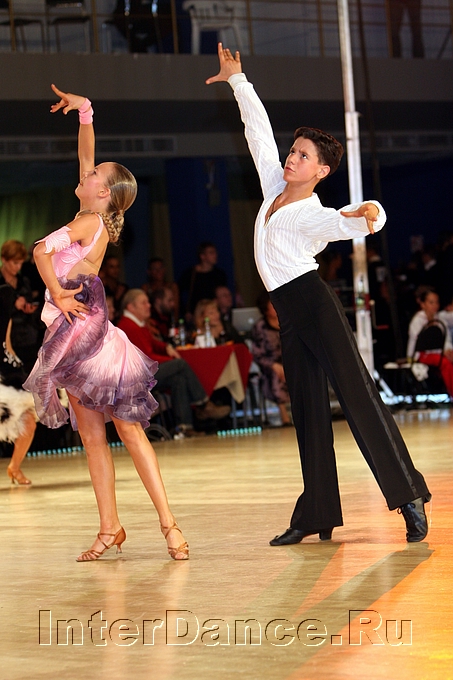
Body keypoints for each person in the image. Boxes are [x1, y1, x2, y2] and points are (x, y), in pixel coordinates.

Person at [206, 43, 431, 544]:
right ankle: (316, 514)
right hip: (288, 312)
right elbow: (257, 131)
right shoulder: (272, 186)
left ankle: (409, 495)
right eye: (294, 151)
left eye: (303, 156)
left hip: (314, 304)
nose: (292, 158)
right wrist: (238, 81)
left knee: (359, 399)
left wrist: (372, 213)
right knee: (307, 410)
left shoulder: (312, 214)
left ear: (321, 171)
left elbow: (345, 219)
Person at [24, 85, 189, 562]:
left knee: (123, 432)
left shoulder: (87, 223)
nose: (88, 171)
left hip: (84, 338)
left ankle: (168, 525)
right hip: (75, 334)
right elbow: (86, 154)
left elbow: (39, 251)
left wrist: (55, 290)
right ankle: (112, 528)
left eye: (96, 174)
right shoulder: (91, 212)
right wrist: (85, 112)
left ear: (104, 192)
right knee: (97, 436)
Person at [117, 289, 231, 431]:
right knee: (180, 364)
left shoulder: (136, 325)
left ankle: (185, 427)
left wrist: (166, 347)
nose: (149, 305)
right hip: (137, 376)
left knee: (178, 379)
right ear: (131, 307)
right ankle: (203, 404)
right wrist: (171, 359)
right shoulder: (129, 327)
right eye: (144, 303)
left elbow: (151, 343)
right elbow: (147, 358)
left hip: (142, 372)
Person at [0, 285, 37, 485]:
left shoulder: (7, 316)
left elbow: (7, 346)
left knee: (29, 421)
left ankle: (14, 467)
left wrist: (17, 367)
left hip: (6, 372)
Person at [0, 239, 44, 374]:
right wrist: (13, 305)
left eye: (20, 263)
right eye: (15, 263)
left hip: (27, 336)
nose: (18, 267)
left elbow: (30, 300)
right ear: (4, 259)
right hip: (6, 336)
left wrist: (28, 307)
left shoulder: (23, 280)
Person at [251, 291, 291, 427]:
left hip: (290, 360)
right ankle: (284, 415)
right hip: (270, 364)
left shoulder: (288, 320)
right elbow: (257, 354)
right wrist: (273, 365)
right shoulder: (260, 327)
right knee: (276, 374)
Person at [407, 286, 453, 397]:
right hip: (421, 355)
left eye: (436, 302)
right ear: (423, 304)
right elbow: (418, 343)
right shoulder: (417, 320)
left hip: (439, 353)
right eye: (431, 302)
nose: (434, 305)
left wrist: (448, 350)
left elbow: (446, 338)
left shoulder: (440, 320)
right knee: (445, 363)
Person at [178, 241, 228, 317]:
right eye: (211, 253)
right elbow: (178, 292)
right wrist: (185, 311)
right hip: (196, 313)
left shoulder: (219, 274)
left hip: (214, 312)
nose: (215, 255)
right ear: (202, 256)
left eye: (215, 252)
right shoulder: (190, 274)